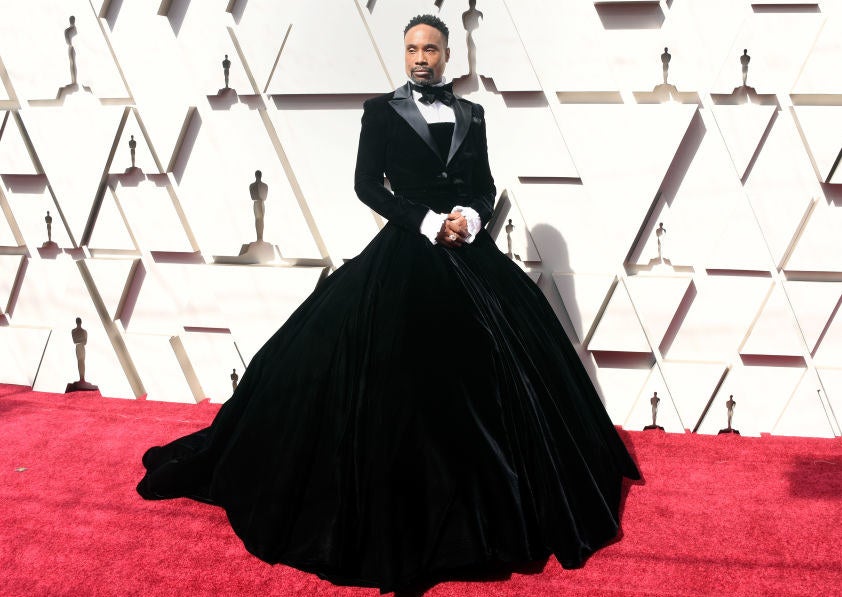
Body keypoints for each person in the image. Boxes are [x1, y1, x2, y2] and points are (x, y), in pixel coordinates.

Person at [137, 14, 640, 593]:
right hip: (408, 245)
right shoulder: (380, 113)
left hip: (470, 250)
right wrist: (427, 221)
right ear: (403, 55)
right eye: (411, 49)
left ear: (448, 54)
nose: (420, 57)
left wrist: (471, 216)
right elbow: (367, 185)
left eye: (430, 48)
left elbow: (482, 182)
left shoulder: (473, 115)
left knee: (500, 368)